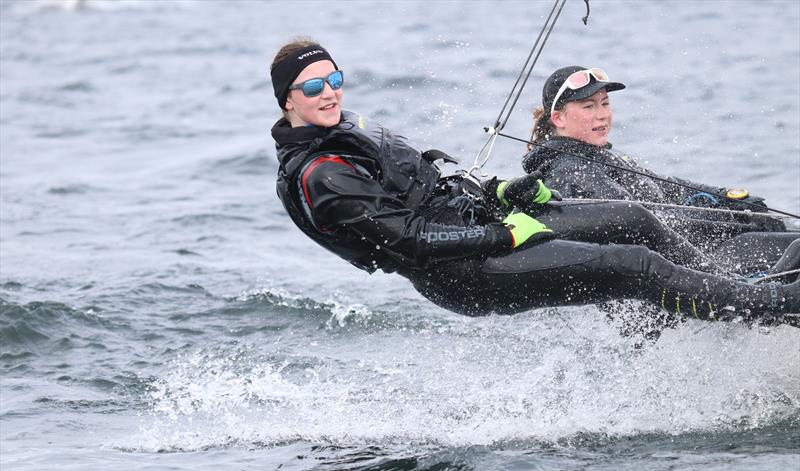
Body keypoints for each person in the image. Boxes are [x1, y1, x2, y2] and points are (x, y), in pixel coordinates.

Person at [269, 38, 800, 321]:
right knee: (632, 263)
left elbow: (433, 184)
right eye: (314, 85)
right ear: (288, 97)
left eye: (334, 78)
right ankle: (776, 307)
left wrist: (503, 193)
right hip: (464, 271)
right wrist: (506, 233)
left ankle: (737, 289)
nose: (330, 92)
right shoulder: (324, 176)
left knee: (635, 219)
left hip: (485, 224)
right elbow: (414, 240)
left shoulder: (348, 130)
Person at [522, 66, 800, 276]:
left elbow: (672, 188)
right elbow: (649, 224)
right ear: (558, 118)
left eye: (605, 103)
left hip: (704, 247)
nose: (602, 114)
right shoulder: (573, 170)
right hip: (699, 267)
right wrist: (739, 221)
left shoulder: (597, 155)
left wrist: (728, 198)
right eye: (588, 106)